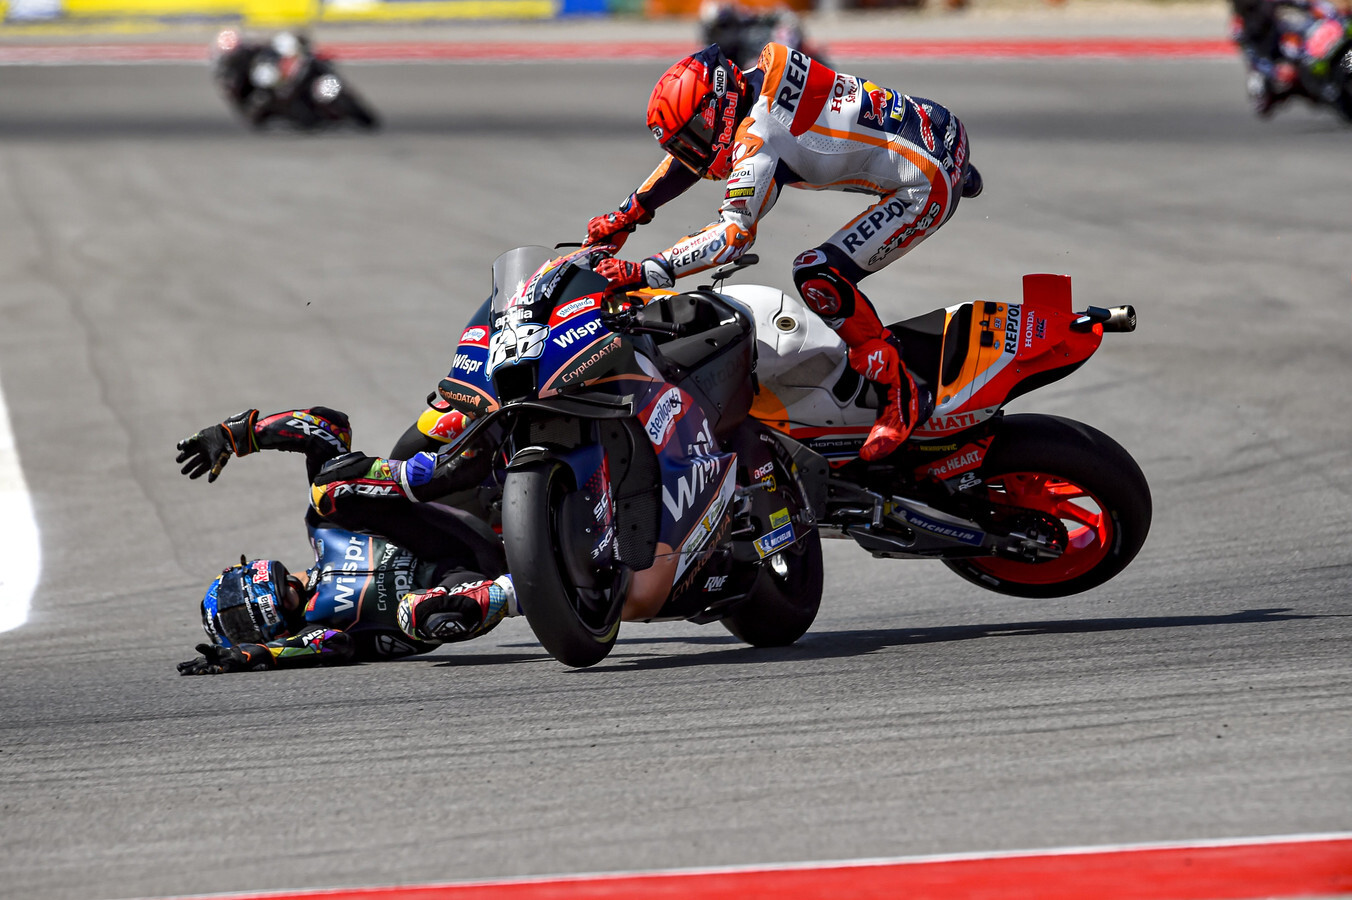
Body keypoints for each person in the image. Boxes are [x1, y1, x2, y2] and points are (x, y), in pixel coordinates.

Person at [583, 43, 981, 461]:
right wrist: (629, 212)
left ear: (719, 109)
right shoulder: (759, 76)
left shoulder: (760, 137)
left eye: (693, 137)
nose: (690, 153)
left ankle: (901, 392)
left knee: (819, 275)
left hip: (926, 184)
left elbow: (733, 235)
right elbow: (698, 157)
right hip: (938, 123)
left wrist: (645, 271)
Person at [173, 406, 518, 675]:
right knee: (416, 614)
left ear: (243, 572)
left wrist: (235, 435)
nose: (246, 614)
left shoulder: (322, 528)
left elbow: (329, 428)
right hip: (466, 579)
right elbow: (328, 646)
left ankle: (483, 438)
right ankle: (526, 589)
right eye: (239, 627)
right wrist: (252, 655)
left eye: (234, 605)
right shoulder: (318, 630)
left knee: (329, 489)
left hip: (448, 523)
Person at [1230, 0, 1351, 115]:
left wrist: (1330, 12)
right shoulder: (1239, 28)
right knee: (1261, 94)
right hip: (1272, 61)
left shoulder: (1268, 4)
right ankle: (1329, 93)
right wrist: (1274, 70)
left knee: (1304, 41)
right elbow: (1253, 57)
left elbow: (1306, 3)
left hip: (1286, 41)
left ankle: (1333, 75)